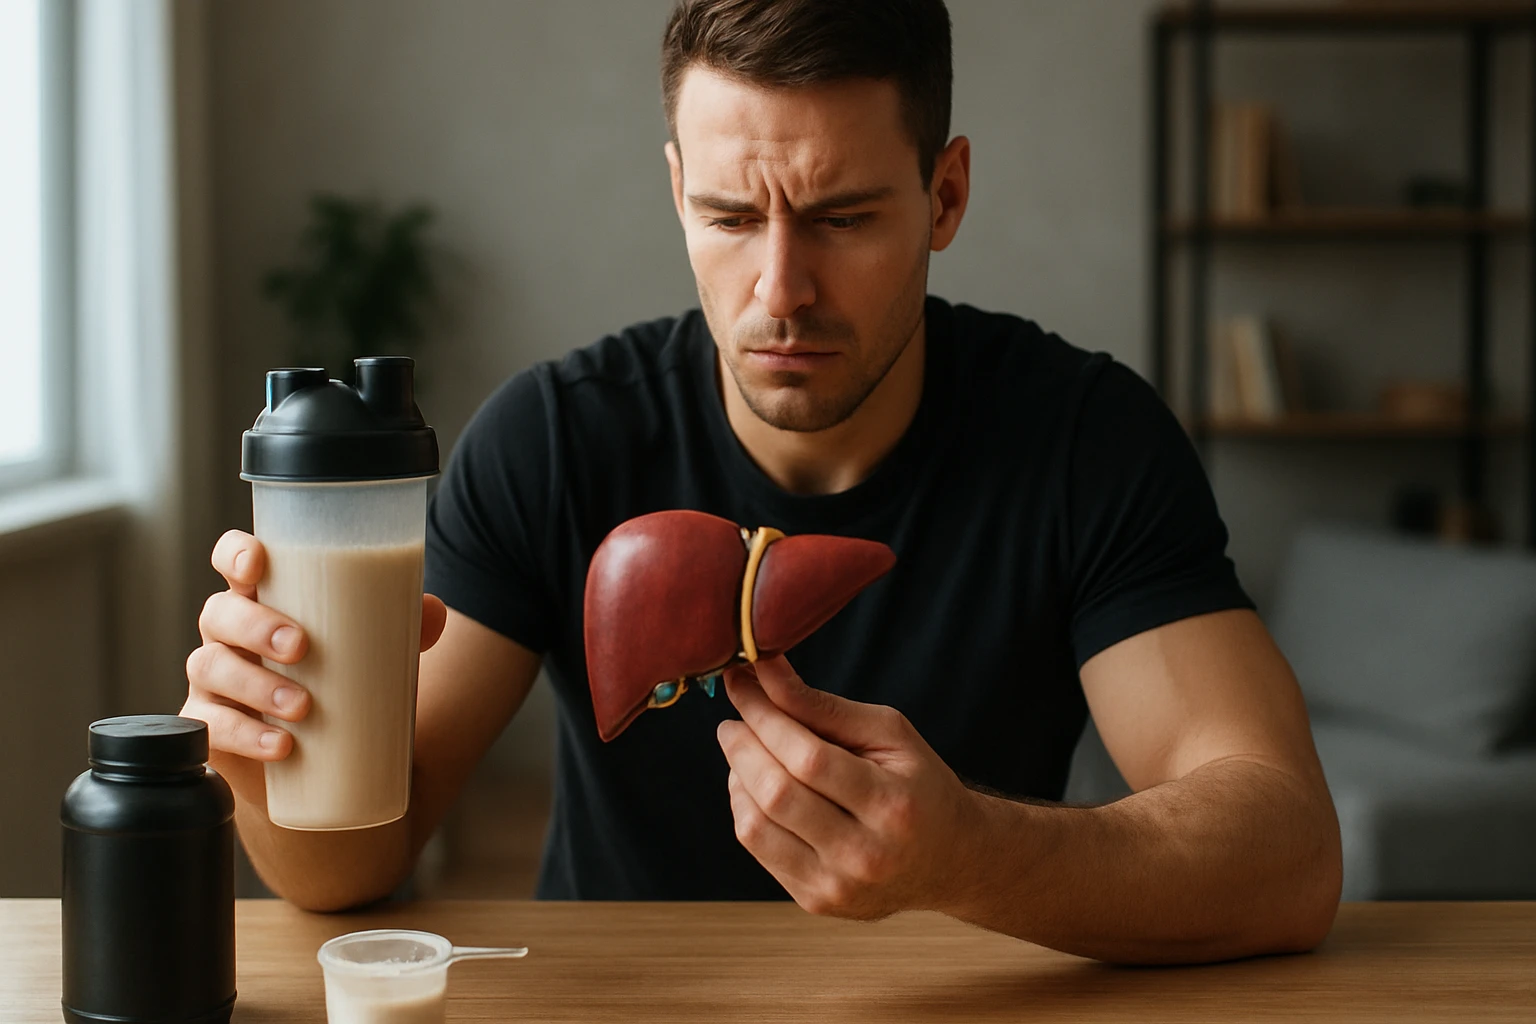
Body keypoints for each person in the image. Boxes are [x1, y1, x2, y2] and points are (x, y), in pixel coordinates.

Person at [181, 0, 1341, 964]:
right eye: (731, 216)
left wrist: (972, 854)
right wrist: (268, 742)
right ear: (677, 185)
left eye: (842, 217)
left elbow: (1287, 850)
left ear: (946, 196)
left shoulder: (1085, 441)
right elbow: (348, 868)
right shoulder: (552, 439)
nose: (779, 289)